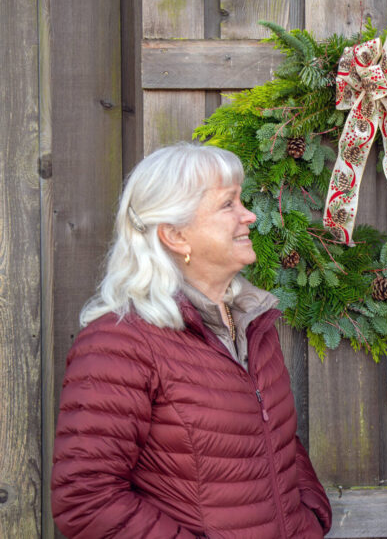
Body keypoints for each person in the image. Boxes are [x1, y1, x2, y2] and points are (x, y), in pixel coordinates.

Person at [52, 143, 332, 538]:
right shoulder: (118, 343)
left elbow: (278, 443)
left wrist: (310, 518)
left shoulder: (251, 323)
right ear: (175, 235)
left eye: (242, 201)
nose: (249, 215)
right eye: (227, 205)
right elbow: (86, 500)